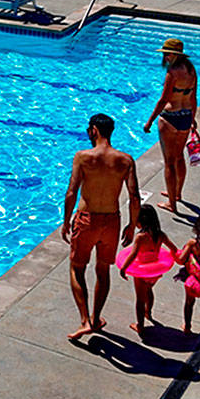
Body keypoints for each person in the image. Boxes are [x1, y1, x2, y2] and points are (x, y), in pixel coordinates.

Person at [62, 113, 140, 341]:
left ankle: (85, 320)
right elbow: (134, 196)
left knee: (77, 268)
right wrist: (131, 225)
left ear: (94, 130)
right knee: (103, 270)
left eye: (89, 130)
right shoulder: (125, 160)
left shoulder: (83, 157)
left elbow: (72, 192)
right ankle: (96, 319)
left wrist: (66, 221)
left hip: (87, 219)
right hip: (111, 221)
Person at [143, 38, 198, 213]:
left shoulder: (172, 73)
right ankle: (177, 194)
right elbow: (193, 98)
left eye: (167, 54)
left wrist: (150, 121)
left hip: (170, 118)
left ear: (174, 55)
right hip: (185, 116)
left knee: (169, 162)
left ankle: (172, 204)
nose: (165, 57)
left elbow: (163, 100)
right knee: (179, 157)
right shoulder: (191, 70)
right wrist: (192, 118)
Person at [118, 204, 178, 336]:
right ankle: (148, 313)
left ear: (140, 221)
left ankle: (140, 325)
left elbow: (133, 254)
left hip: (141, 272)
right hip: (154, 273)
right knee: (149, 290)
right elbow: (173, 249)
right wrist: (176, 258)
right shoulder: (160, 235)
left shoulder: (140, 237)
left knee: (140, 299)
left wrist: (123, 268)